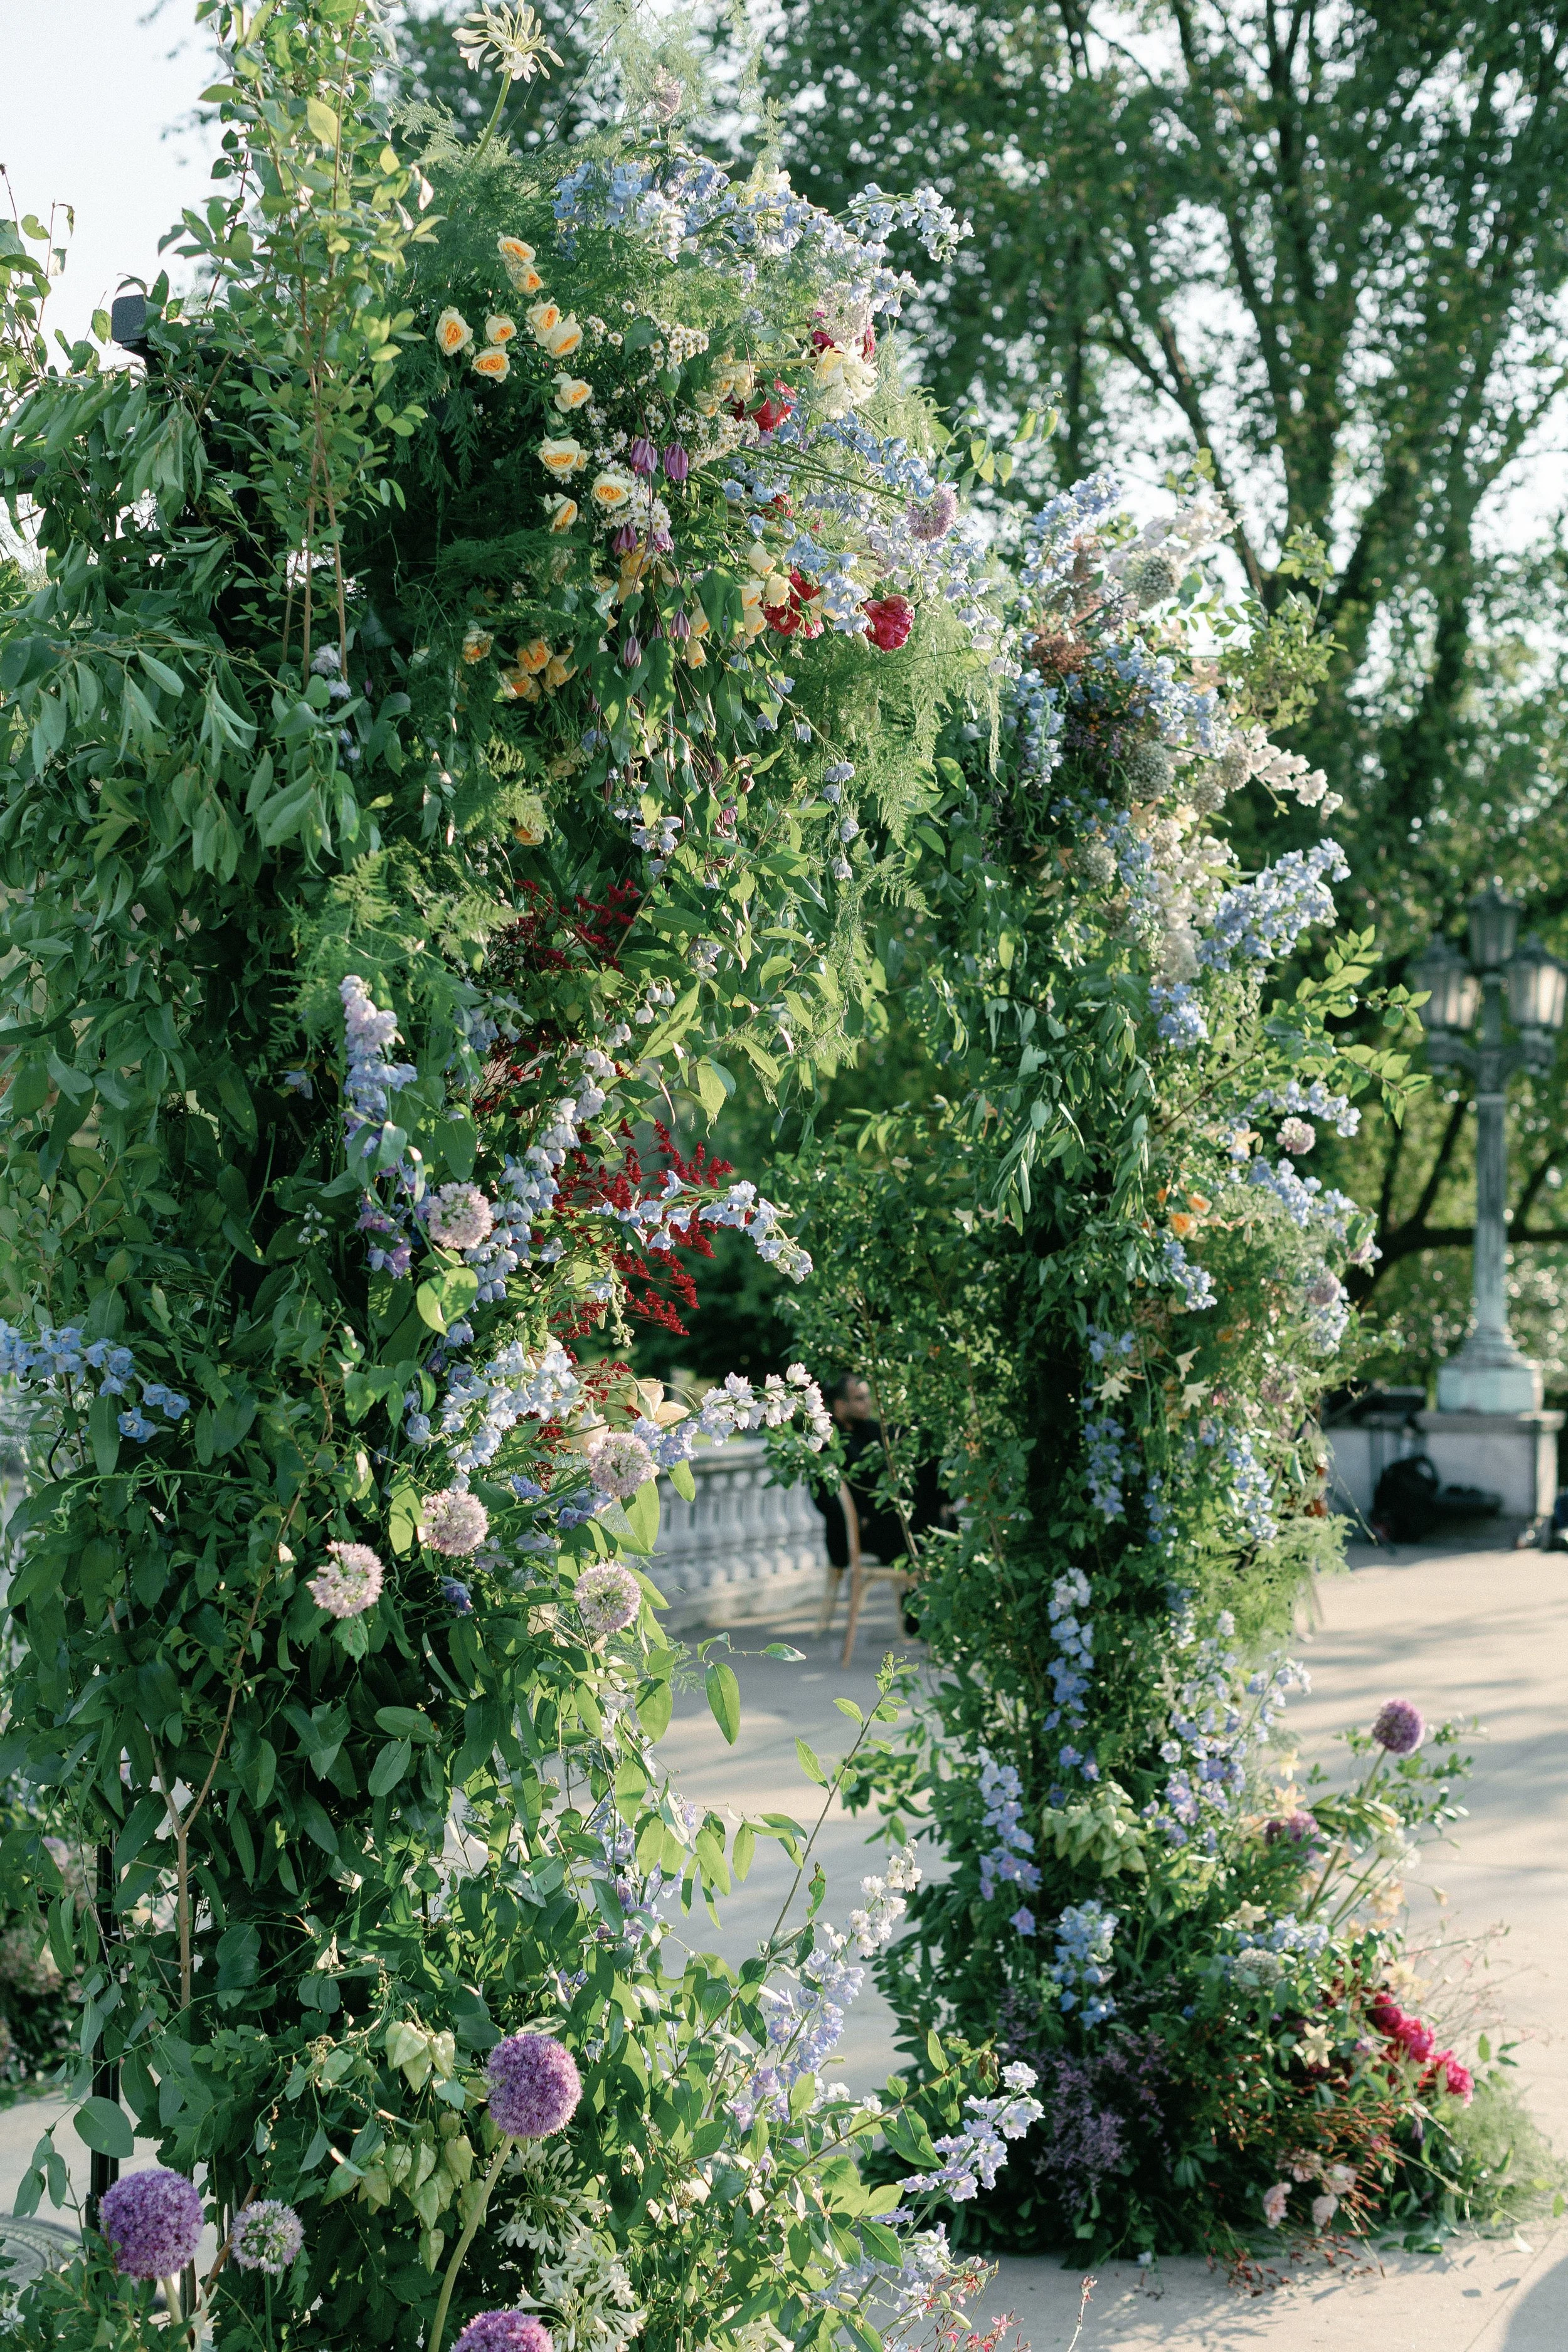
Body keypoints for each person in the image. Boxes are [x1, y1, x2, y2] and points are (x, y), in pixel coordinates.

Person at [812, 1375, 946, 1624]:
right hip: (855, 1533)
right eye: (860, 1399)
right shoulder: (826, 1441)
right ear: (839, 1405)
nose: (867, 1404)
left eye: (867, 1397)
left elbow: (904, 1438)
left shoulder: (870, 1429)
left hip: (884, 1523)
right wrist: (858, 1521)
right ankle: (919, 1614)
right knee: (923, 1526)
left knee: (925, 1473)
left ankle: (921, 1611)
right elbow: (823, 1498)